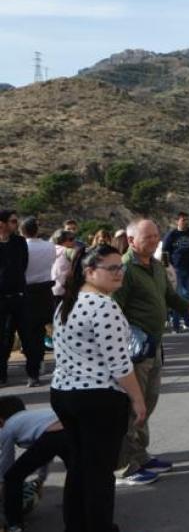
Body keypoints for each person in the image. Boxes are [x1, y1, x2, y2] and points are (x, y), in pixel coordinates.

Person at [113, 219, 189, 485]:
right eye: (147, 236)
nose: (154, 240)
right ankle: (123, 467)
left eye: (156, 236)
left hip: (154, 347)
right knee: (131, 409)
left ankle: (140, 455)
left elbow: (171, 299)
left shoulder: (156, 266)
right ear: (131, 240)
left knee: (147, 405)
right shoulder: (124, 269)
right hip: (134, 353)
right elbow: (114, 311)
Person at [51, 244, 147, 532]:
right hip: (96, 399)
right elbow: (120, 364)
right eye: (112, 268)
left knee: (80, 467)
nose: (119, 273)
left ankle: (76, 525)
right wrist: (138, 400)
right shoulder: (104, 306)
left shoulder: (68, 302)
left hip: (65, 394)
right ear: (90, 271)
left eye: (122, 267)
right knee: (99, 472)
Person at [0, 396, 67, 531]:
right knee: (79, 475)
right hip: (72, 430)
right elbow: (45, 453)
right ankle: (84, 518)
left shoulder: (8, 427)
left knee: (13, 477)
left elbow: (7, 461)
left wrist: (3, 484)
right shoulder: (32, 419)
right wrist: (41, 479)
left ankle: (14, 524)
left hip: (55, 434)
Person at [17, 219, 54, 386]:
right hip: (45, 291)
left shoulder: (21, 247)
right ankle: (36, 368)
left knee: (27, 334)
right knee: (39, 332)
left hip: (26, 292)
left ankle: (32, 370)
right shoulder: (49, 246)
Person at [0, 211, 29, 387]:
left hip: (18, 296)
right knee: (2, 338)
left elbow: (22, 265)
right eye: (12, 221)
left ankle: (33, 372)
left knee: (27, 335)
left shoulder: (19, 242)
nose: (16, 225)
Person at [161, 213, 189, 331]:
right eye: (183, 220)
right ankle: (176, 325)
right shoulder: (172, 235)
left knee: (188, 296)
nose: (185, 222)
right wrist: (168, 268)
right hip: (176, 269)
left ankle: (188, 322)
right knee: (177, 297)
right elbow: (164, 252)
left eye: (187, 220)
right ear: (177, 221)